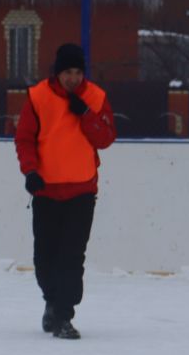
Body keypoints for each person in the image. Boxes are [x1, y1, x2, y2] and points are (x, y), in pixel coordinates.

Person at [14, 41, 117, 339]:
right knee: (44, 258)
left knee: (72, 257)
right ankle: (51, 300)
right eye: (67, 72)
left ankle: (64, 316)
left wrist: (85, 113)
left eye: (77, 72)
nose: (73, 78)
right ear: (57, 73)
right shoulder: (37, 97)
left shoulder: (95, 98)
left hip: (82, 191)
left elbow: (106, 138)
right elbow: (25, 140)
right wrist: (30, 171)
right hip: (46, 191)